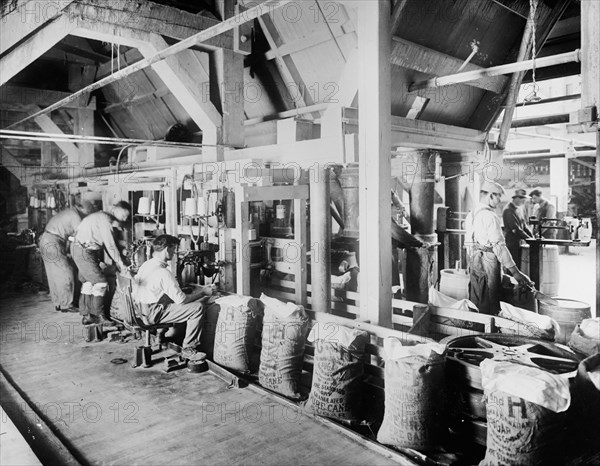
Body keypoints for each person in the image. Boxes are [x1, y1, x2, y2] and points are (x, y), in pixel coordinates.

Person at [133, 235, 213, 360]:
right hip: (152, 314)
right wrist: (203, 292)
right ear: (166, 250)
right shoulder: (163, 273)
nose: (174, 252)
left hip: (140, 311)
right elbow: (182, 300)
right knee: (198, 307)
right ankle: (188, 349)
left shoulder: (147, 265)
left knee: (170, 298)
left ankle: (160, 335)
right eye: (174, 249)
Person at [465, 180, 532, 315]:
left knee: (477, 295)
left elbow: (468, 243)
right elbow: (499, 247)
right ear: (490, 196)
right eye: (498, 196)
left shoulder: (471, 214)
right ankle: (490, 329)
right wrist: (516, 272)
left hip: (474, 260)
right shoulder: (490, 216)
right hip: (488, 260)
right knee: (491, 298)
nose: (500, 200)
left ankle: (477, 326)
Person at [72, 201, 132, 325]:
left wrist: (121, 249)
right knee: (100, 282)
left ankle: (87, 315)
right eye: (124, 214)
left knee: (89, 281)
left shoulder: (100, 216)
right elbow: (109, 245)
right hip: (84, 250)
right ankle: (99, 316)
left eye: (127, 216)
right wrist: (121, 263)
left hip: (81, 248)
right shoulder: (105, 220)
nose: (125, 218)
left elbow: (106, 242)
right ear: (115, 209)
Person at [39, 201, 95, 312]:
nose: (87, 215)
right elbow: (81, 235)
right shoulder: (75, 216)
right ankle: (66, 305)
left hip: (47, 239)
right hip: (53, 241)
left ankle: (58, 302)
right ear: (83, 209)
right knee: (66, 272)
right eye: (88, 213)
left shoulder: (70, 212)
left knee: (54, 274)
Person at [502, 188, 533, 268]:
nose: (524, 202)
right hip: (511, 243)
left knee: (518, 264)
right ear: (517, 198)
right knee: (512, 264)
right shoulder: (508, 210)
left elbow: (524, 226)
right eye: (523, 199)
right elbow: (515, 229)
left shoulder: (519, 209)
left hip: (518, 242)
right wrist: (528, 239)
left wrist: (532, 238)